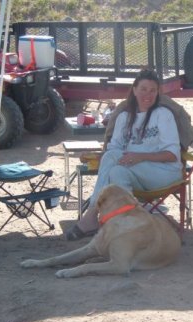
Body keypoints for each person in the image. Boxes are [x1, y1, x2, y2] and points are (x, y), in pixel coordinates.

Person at [65, 69, 183, 240]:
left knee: (112, 158)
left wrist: (140, 156)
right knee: (116, 171)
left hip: (164, 172)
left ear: (158, 93)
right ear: (134, 90)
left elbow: (172, 155)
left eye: (153, 90)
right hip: (134, 172)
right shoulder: (124, 117)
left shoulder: (162, 115)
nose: (147, 94)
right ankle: (126, 228)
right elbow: (115, 148)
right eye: (143, 89)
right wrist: (108, 157)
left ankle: (91, 214)